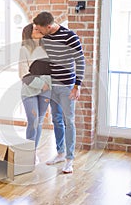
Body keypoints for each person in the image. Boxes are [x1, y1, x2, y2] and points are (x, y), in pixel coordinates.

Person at [33, 11, 85, 173]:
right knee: (56, 120)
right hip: (51, 86)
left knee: (69, 121)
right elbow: (32, 36)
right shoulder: (45, 36)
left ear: (49, 26)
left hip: (67, 87)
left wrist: (77, 86)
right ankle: (60, 153)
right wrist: (36, 31)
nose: (39, 32)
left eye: (41, 29)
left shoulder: (70, 36)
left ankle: (69, 159)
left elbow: (80, 61)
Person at [19, 23, 52, 164]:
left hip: (46, 91)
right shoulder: (24, 49)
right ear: (29, 33)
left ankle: (33, 152)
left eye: (39, 27)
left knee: (38, 122)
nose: (38, 29)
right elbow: (23, 73)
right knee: (33, 121)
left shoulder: (48, 48)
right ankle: (28, 153)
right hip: (30, 91)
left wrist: (48, 85)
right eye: (35, 28)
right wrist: (41, 84)